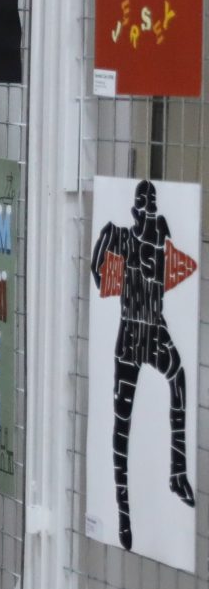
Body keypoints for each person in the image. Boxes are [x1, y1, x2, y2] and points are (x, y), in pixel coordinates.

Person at [95, 181, 197, 549]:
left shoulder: (160, 234)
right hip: (131, 334)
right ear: (136, 211)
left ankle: (177, 473)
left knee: (178, 378)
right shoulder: (123, 237)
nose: (148, 215)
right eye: (144, 209)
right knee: (121, 422)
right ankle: (123, 513)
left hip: (154, 329)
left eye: (151, 209)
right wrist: (105, 248)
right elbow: (97, 268)